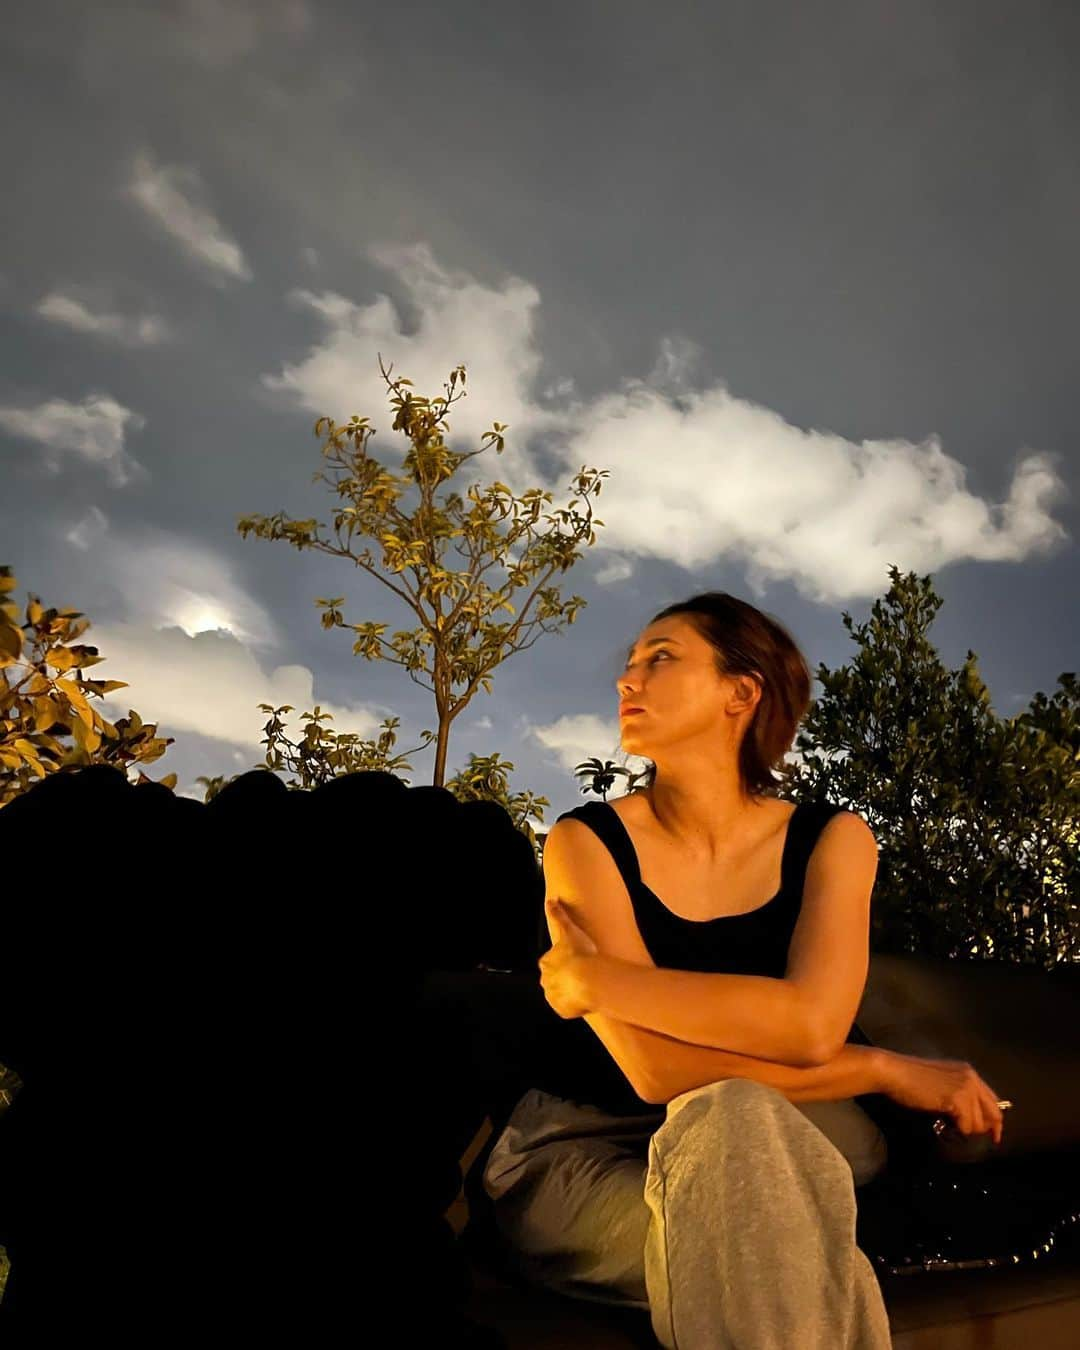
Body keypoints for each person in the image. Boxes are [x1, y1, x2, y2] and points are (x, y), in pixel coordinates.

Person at [473, 591, 1006, 1350]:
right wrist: (885, 1069)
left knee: (743, 1131)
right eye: (629, 666)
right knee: (752, 1200)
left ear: (741, 691)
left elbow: (812, 1024)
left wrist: (602, 982)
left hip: (793, 1131)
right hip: (585, 1148)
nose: (627, 682)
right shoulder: (584, 843)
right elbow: (658, 1073)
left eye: (660, 659)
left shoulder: (833, 839)